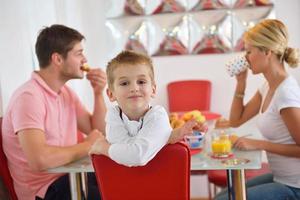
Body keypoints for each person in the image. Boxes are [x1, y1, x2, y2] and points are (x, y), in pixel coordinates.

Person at [2, 24, 107, 200]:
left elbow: (97, 130)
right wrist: (88, 145)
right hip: (44, 190)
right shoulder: (28, 97)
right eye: (79, 53)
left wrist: (98, 93)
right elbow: (39, 159)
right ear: (57, 59)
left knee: (123, 182)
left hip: (69, 177)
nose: (85, 59)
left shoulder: (66, 93)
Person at [215, 19, 300, 200]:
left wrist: (257, 144)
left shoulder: (286, 94)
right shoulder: (268, 86)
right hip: (281, 178)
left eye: (249, 51)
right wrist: (241, 83)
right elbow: (237, 120)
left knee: (225, 199)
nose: (245, 58)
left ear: (267, 52)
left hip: (295, 186)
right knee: (226, 194)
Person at [89, 50, 205, 166]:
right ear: (111, 94)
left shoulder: (158, 115)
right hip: (123, 183)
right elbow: (130, 152)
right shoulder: (113, 115)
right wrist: (163, 139)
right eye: (124, 83)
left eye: (141, 81)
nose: (134, 88)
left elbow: (136, 156)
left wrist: (104, 148)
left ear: (153, 90)